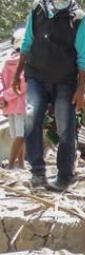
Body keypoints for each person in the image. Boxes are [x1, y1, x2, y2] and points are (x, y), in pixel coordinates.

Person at [14, 0, 85, 190]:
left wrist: (82, 89)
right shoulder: (37, 10)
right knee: (31, 120)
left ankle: (64, 176)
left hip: (66, 80)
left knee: (65, 128)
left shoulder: (79, 19)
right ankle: (37, 173)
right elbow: (27, 43)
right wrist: (17, 74)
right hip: (36, 77)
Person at [0, 28, 27, 170]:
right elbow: (22, 84)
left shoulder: (6, 59)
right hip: (21, 103)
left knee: (17, 135)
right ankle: (11, 164)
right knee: (21, 135)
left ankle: (21, 164)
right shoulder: (25, 60)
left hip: (9, 103)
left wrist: (3, 96)